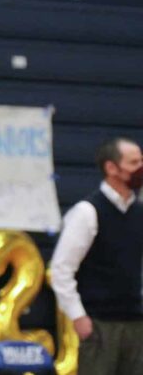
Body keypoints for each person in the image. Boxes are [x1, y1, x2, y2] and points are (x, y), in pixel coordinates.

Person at [50, 137, 143, 375]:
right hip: (100, 324)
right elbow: (60, 269)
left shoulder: (138, 212)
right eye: (134, 163)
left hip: (136, 323)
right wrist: (78, 317)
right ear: (112, 168)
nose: (140, 168)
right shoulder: (88, 212)